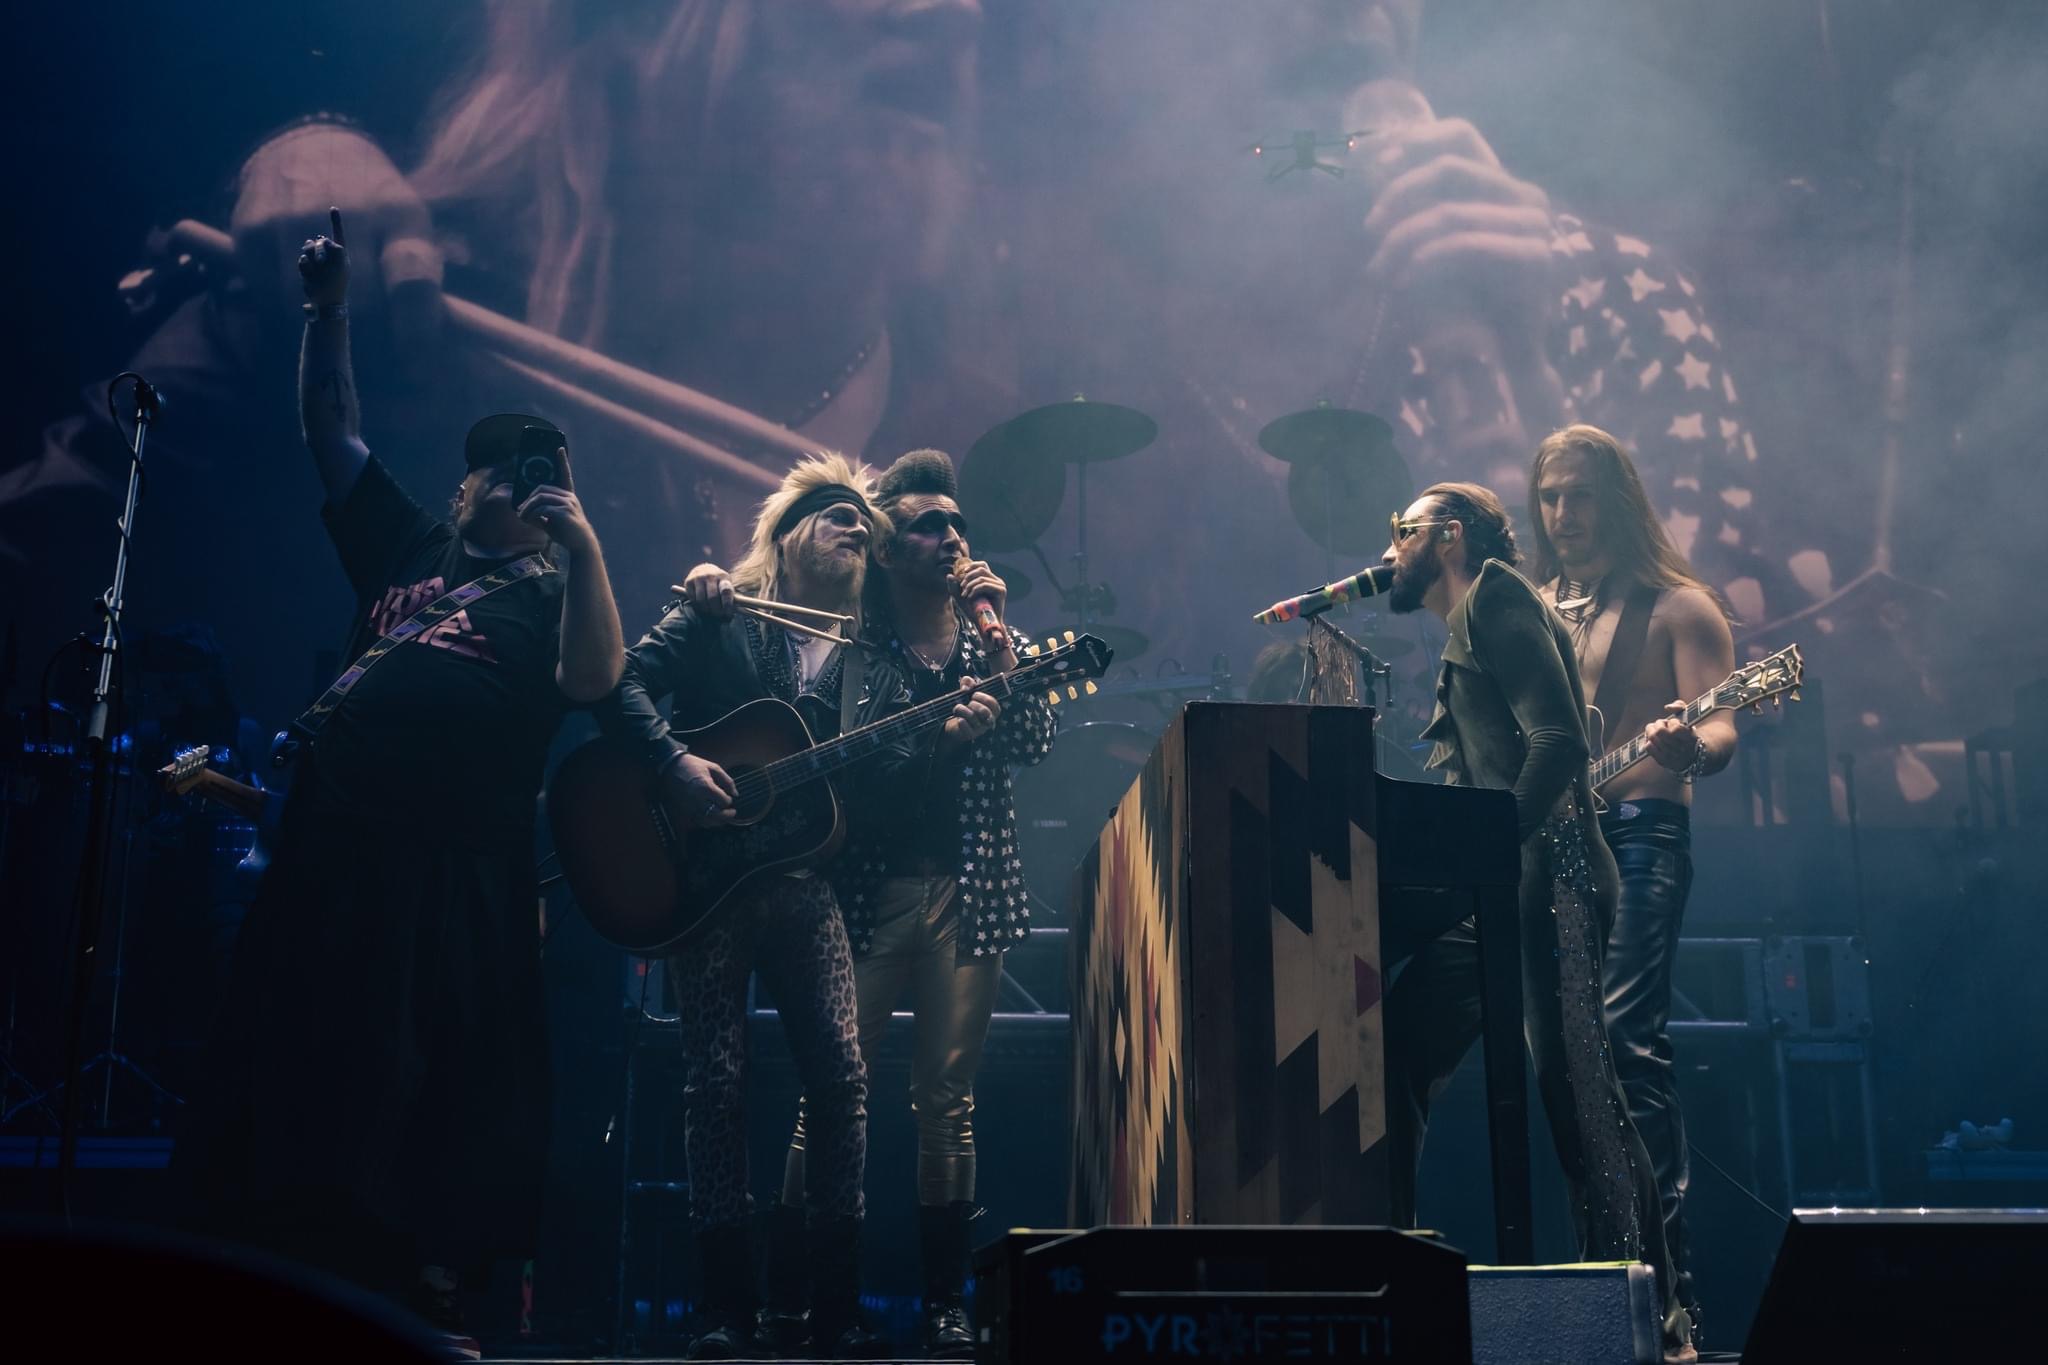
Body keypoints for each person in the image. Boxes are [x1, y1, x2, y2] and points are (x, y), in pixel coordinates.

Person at [176, 213, 625, 1359]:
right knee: (299, 1059)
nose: (487, 481)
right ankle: (288, 1280)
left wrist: (583, 549)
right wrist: (326, 311)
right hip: (334, 849)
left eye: (516, 472)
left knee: (433, 1082)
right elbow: (330, 428)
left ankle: (424, 1299)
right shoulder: (413, 546)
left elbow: (593, 679)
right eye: (483, 467)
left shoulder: (551, 595)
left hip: (451, 871)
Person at [604, 454, 963, 1358]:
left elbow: (887, 799)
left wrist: (949, 736)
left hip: (807, 887)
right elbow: (618, 683)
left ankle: (835, 1310)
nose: (854, 529)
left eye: (863, 525)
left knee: (842, 1079)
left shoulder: (876, 670)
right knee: (714, 1082)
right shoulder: (720, 613)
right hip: (701, 884)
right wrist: (673, 763)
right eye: (836, 515)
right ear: (788, 532)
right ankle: (725, 1308)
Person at [1374, 482, 1690, 1362]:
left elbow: (1558, 741)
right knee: (1396, 1050)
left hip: (1554, 882)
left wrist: (1484, 847)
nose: (1388, 550)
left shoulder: (1498, 597)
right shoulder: (1470, 618)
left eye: (1400, 531)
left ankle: (1655, 1321)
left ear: (1447, 535)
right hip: (1498, 894)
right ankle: (1387, 1276)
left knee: (1579, 1096)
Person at [752, 449, 1055, 1358]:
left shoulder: (985, 637)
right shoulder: (858, 643)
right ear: (886, 549)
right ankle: (793, 1298)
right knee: (829, 1096)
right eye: (928, 524)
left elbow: (1035, 739)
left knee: (947, 1101)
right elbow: (848, 766)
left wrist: (1003, 653)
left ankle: (945, 1304)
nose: (951, 537)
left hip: (970, 891)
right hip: (865, 894)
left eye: (957, 523)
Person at [1529, 423, 1737, 1349]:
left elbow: (1722, 726)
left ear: (1615, 498)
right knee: (1566, 1068)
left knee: (1623, 1045)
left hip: (1643, 833)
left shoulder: (1679, 607)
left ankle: (1669, 1302)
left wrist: (1690, 745)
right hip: (1555, 848)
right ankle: (1599, 1283)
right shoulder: (1534, 610)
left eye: (1579, 493)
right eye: (1549, 496)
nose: (1563, 513)